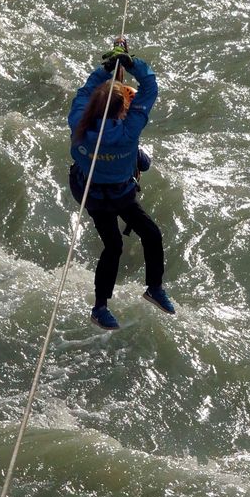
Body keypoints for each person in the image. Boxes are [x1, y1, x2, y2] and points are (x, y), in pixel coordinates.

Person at [68, 36, 172, 329]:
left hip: (92, 193)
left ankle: (100, 307)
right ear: (120, 111)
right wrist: (131, 63)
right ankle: (154, 288)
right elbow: (151, 88)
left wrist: (106, 69)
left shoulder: (79, 122)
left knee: (112, 245)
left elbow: (86, 91)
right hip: (117, 194)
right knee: (151, 235)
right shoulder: (129, 131)